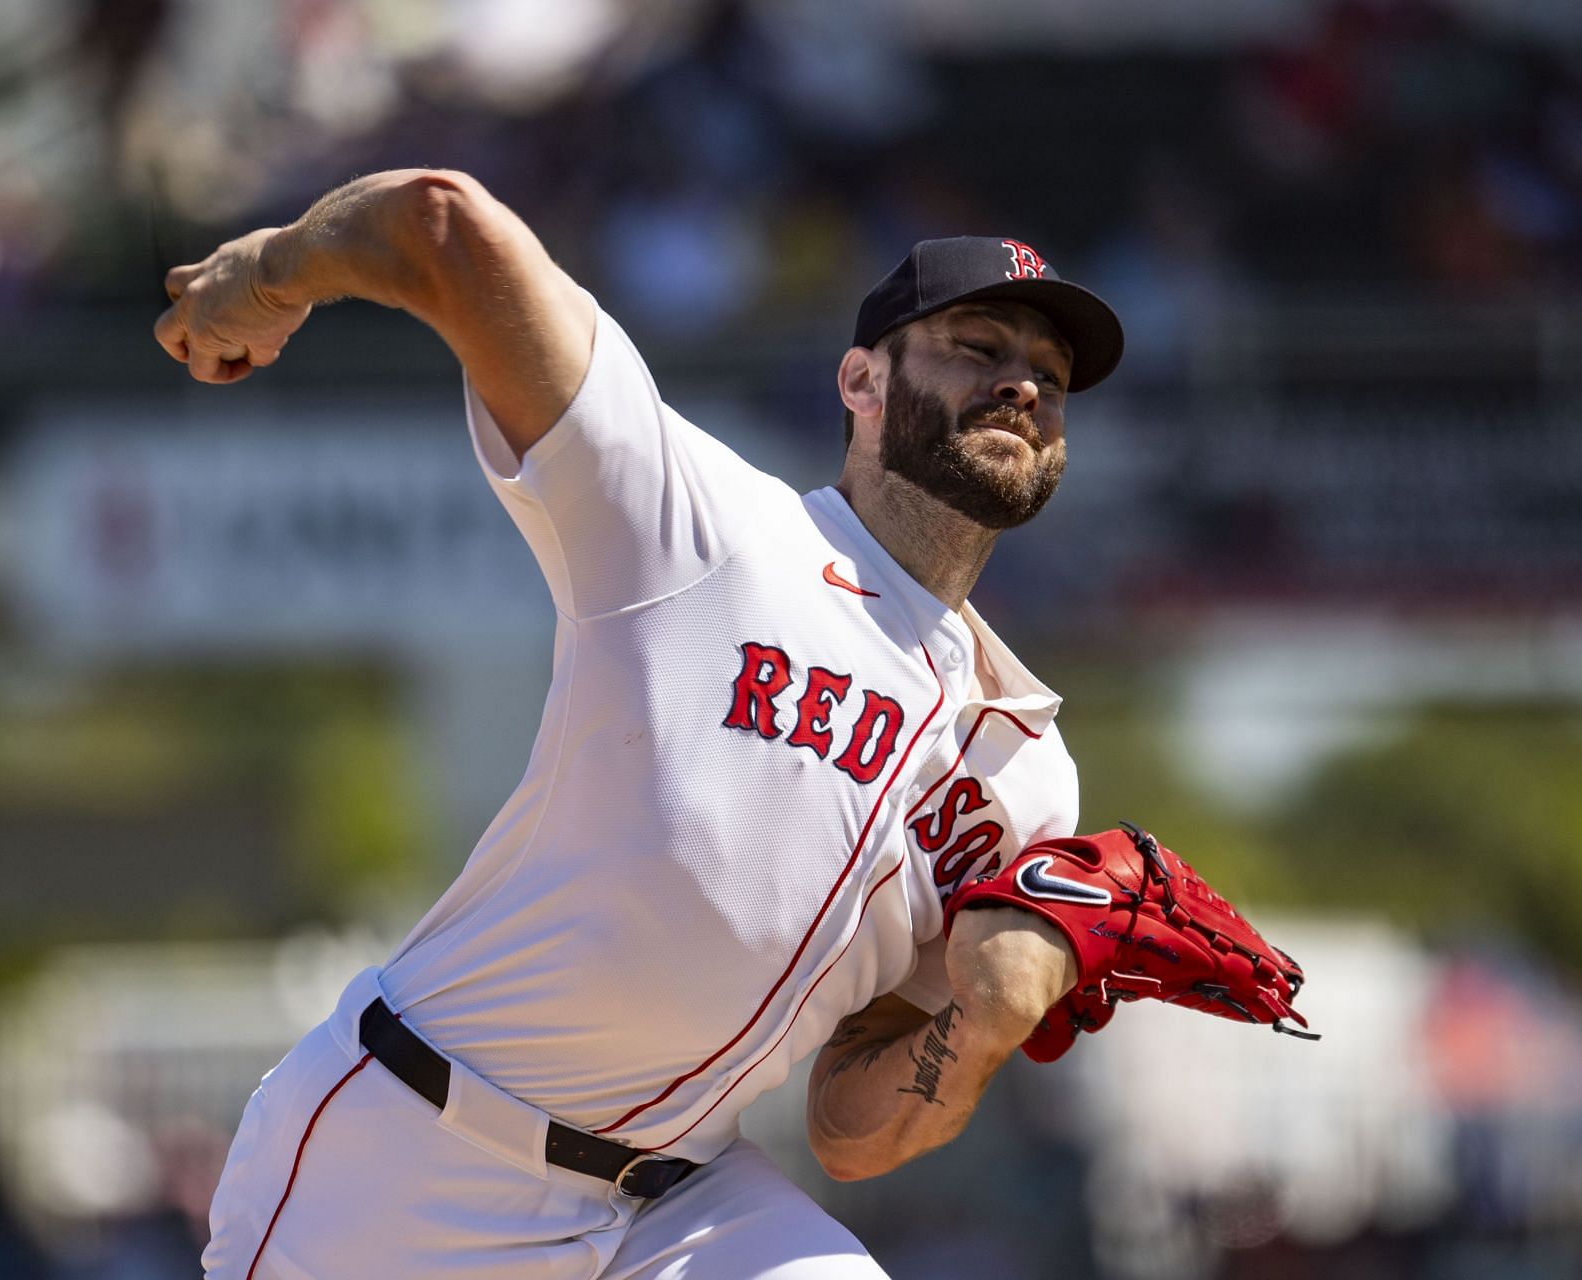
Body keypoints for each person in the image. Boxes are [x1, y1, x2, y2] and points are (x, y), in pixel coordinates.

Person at [154, 168, 1124, 1280]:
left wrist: (981, 1028)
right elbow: (440, 223)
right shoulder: (706, 526)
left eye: (1048, 375)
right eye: (978, 346)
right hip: (417, 1153)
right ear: (861, 380)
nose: (1020, 386)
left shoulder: (1025, 769)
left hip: (679, 1199)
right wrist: (275, 272)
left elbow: (847, 1131)